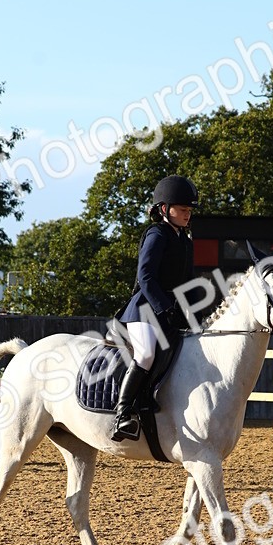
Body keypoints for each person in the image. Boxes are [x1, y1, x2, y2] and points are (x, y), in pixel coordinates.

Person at [111, 174, 198, 441]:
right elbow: (146, 277)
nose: (187, 214)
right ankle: (122, 414)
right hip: (145, 309)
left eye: (189, 210)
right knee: (147, 354)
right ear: (164, 209)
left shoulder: (184, 239)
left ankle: (154, 400)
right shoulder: (157, 235)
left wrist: (196, 311)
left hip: (170, 310)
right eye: (182, 209)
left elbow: (188, 281)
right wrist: (164, 307)